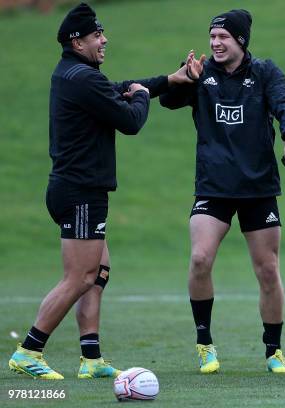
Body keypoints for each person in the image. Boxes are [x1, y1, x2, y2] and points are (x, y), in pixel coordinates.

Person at [8, 2, 194, 380]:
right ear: (77, 42)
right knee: (79, 276)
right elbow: (129, 120)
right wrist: (142, 97)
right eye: (97, 36)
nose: (104, 40)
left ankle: (91, 358)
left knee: (98, 271)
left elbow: (118, 88)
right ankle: (29, 350)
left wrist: (168, 81)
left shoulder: (73, 74)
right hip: (79, 192)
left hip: (79, 190)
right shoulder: (82, 78)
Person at [159, 9, 285, 374]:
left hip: (257, 187)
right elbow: (167, 101)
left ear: (240, 40)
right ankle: (204, 343)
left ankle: (273, 351)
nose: (215, 43)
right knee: (199, 259)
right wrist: (183, 79)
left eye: (223, 37)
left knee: (268, 270)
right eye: (212, 37)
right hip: (214, 185)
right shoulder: (200, 72)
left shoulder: (265, 72)